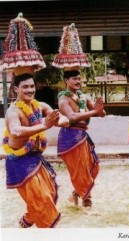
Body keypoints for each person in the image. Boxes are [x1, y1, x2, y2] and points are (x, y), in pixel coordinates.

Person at [3, 73, 69, 228]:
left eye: (32, 86)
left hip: (35, 159)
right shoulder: (13, 111)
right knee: (42, 199)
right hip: (19, 162)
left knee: (51, 193)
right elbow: (15, 131)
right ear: (16, 89)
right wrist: (45, 125)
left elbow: (63, 119)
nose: (30, 90)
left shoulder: (40, 106)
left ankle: (28, 219)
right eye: (25, 86)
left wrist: (60, 120)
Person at [57, 69, 106, 212]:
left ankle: (75, 194)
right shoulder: (63, 99)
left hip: (83, 136)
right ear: (66, 80)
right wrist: (94, 111)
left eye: (79, 78)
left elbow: (101, 114)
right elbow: (71, 117)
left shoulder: (83, 96)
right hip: (70, 138)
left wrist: (100, 107)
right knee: (81, 170)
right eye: (74, 79)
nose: (78, 81)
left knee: (94, 167)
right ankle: (87, 201)